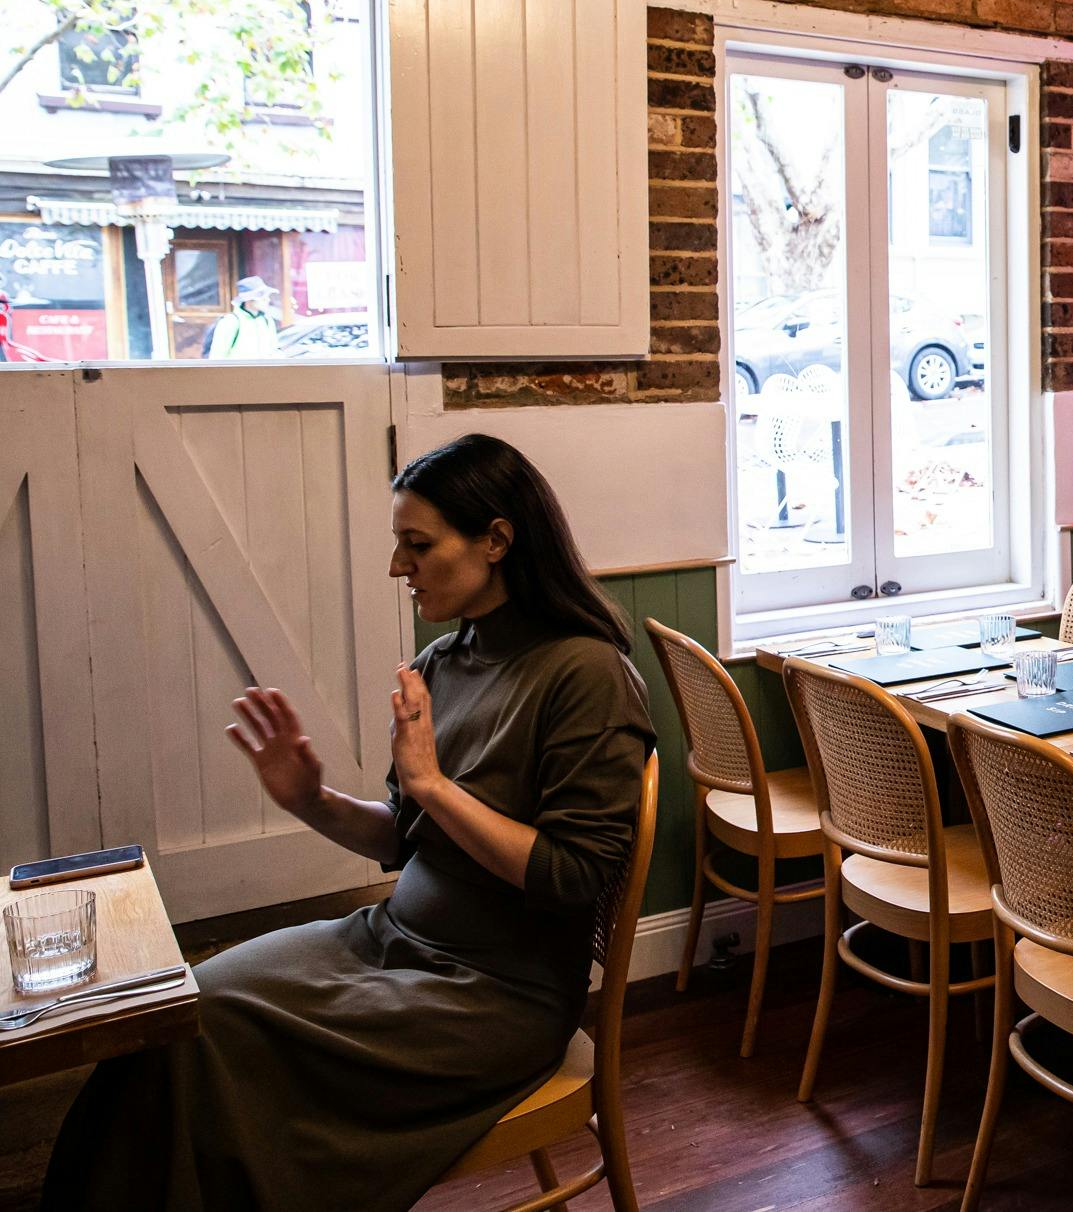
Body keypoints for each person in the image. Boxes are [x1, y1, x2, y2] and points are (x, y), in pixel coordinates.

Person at [42, 433, 656, 1212]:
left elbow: (576, 874)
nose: (399, 567)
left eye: (417, 545)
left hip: (494, 997)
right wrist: (312, 799)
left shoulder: (587, 675)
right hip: (392, 945)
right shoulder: (444, 662)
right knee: (177, 1009)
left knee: (218, 1041)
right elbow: (405, 834)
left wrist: (433, 786)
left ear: (496, 540)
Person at [203, 274, 280, 358]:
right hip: (237, 371)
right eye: (262, 297)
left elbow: (274, 350)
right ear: (249, 299)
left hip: (263, 371)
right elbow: (217, 357)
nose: (267, 300)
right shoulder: (231, 321)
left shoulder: (267, 320)